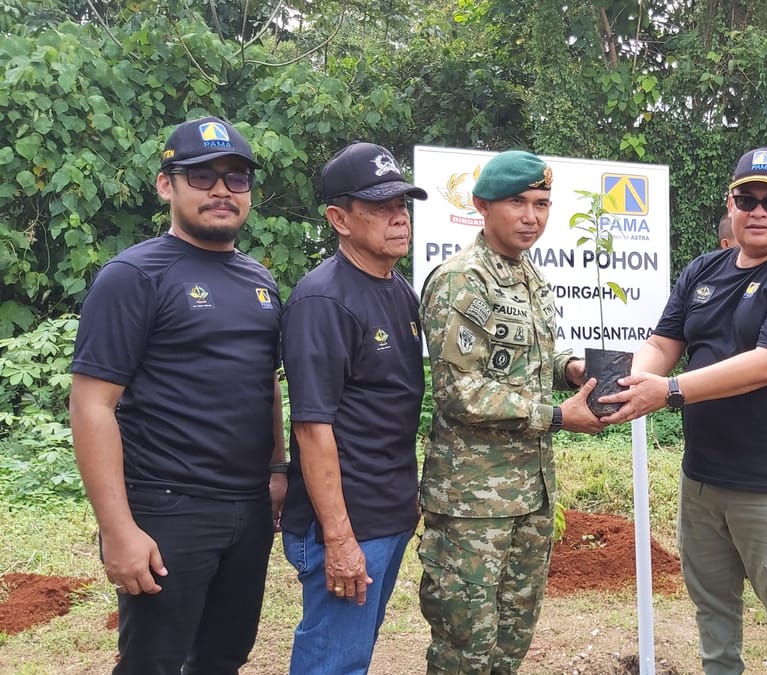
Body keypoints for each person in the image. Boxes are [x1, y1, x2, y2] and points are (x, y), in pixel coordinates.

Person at [600, 147, 767, 674]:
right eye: (746, 198)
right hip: (702, 479)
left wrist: (669, 391)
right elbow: (664, 342)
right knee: (714, 617)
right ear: (730, 203)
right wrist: (636, 379)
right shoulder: (703, 270)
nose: (759, 211)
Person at [69, 116, 285, 674]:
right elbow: (93, 405)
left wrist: (278, 470)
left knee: (223, 658)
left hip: (248, 507)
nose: (221, 190)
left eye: (236, 178)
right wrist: (118, 531)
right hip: (168, 509)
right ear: (167, 185)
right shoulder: (134, 276)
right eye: (201, 176)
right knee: (153, 664)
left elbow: (265, 382)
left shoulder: (260, 281)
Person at [418, 150, 605, 674]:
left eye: (542, 204)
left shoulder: (525, 275)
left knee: (510, 644)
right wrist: (558, 415)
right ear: (481, 205)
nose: (531, 216)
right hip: (473, 503)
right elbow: (461, 391)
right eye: (517, 202)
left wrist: (568, 368)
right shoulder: (462, 279)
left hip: (530, 495)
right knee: (464, 649)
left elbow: (530, 360)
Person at [278, 142, 429, 673]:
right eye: (381, 206)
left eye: (402, 205)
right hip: (345, 528)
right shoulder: (324, 301)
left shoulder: (400, 292)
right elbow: (312, 429)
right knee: (332, 664)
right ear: (338, 219)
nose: (398, 218)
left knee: (353, 656)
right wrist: (340, 539)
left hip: (387, 515)